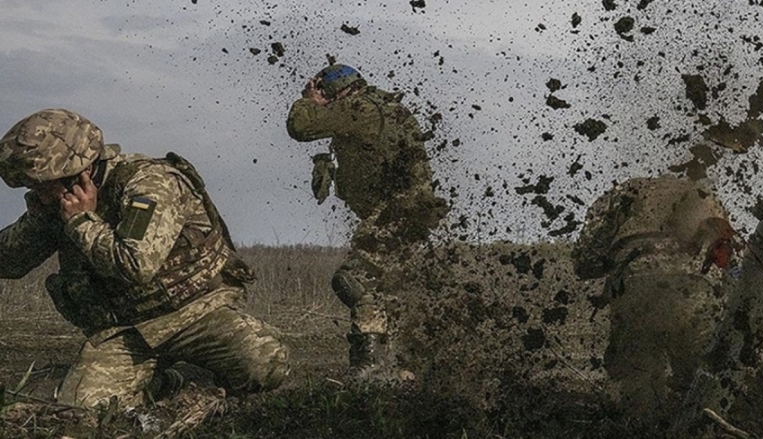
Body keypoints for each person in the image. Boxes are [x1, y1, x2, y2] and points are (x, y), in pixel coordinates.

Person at [0, 109, 289, 408]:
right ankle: (165, 382)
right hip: (127, 330)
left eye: (44, 187)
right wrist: (39, 222)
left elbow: (137, 265)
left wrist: (82, 222)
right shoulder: (61, 202)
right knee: (83, 407)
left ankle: (195, 376)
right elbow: (8, 262)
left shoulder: (149, 183)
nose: (40, 196)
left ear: (80, 173)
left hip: (196, 313)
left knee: (265, 363)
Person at [286, 63, 448, 377]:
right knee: (390, 289)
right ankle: (411, 365)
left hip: (398, 215)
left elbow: (301, 126)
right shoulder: (386, 107)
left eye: (325, 92)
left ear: (336, 90)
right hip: (409, 215)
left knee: (355, 280)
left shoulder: (358, 108)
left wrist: (308, 100)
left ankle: (372, 366)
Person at [571, 175, 740, 430]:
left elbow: (585, 260)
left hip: (636, 283)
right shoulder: (703, 194)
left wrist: (614, 259)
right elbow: (730, 260)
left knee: (637, 384)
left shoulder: (624, 193)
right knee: (705, 380)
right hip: (696, 287)